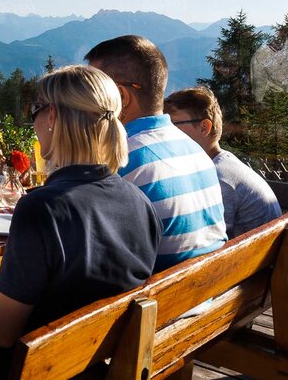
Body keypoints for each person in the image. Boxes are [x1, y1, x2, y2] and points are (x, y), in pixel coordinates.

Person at [0, 65, 161, 380]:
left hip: (24, 365)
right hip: (85, 359)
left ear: (53, 117)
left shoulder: (42, 208)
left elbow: (0, 333)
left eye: (36, 110)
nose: (34, 121)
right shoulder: (140, 203)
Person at [85, 35, 227, 271]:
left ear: (121, 97)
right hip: (208, 295)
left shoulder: (119, 157)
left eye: (92, 92)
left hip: (156, 305)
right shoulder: (195, 149)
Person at [164, 86, 281, 238]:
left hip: (248, 259)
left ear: (204, 127)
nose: (166, 132)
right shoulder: (224, 162)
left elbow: (210, 238)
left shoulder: (217, 176)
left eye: (174, 124)